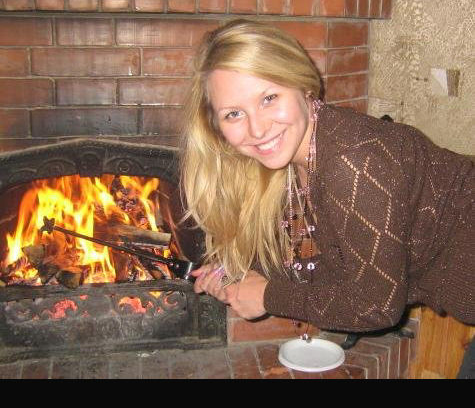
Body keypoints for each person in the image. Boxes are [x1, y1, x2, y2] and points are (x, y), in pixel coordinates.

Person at [179, 19, 474, 377]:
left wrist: (266, 295)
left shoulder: (352, 162)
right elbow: (334, 266)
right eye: (234, 114)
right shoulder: (299, 157)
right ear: (217, 127)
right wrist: (240, 275)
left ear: (303, 86)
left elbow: (376, 307)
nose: (257, 129)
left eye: (269, 98)